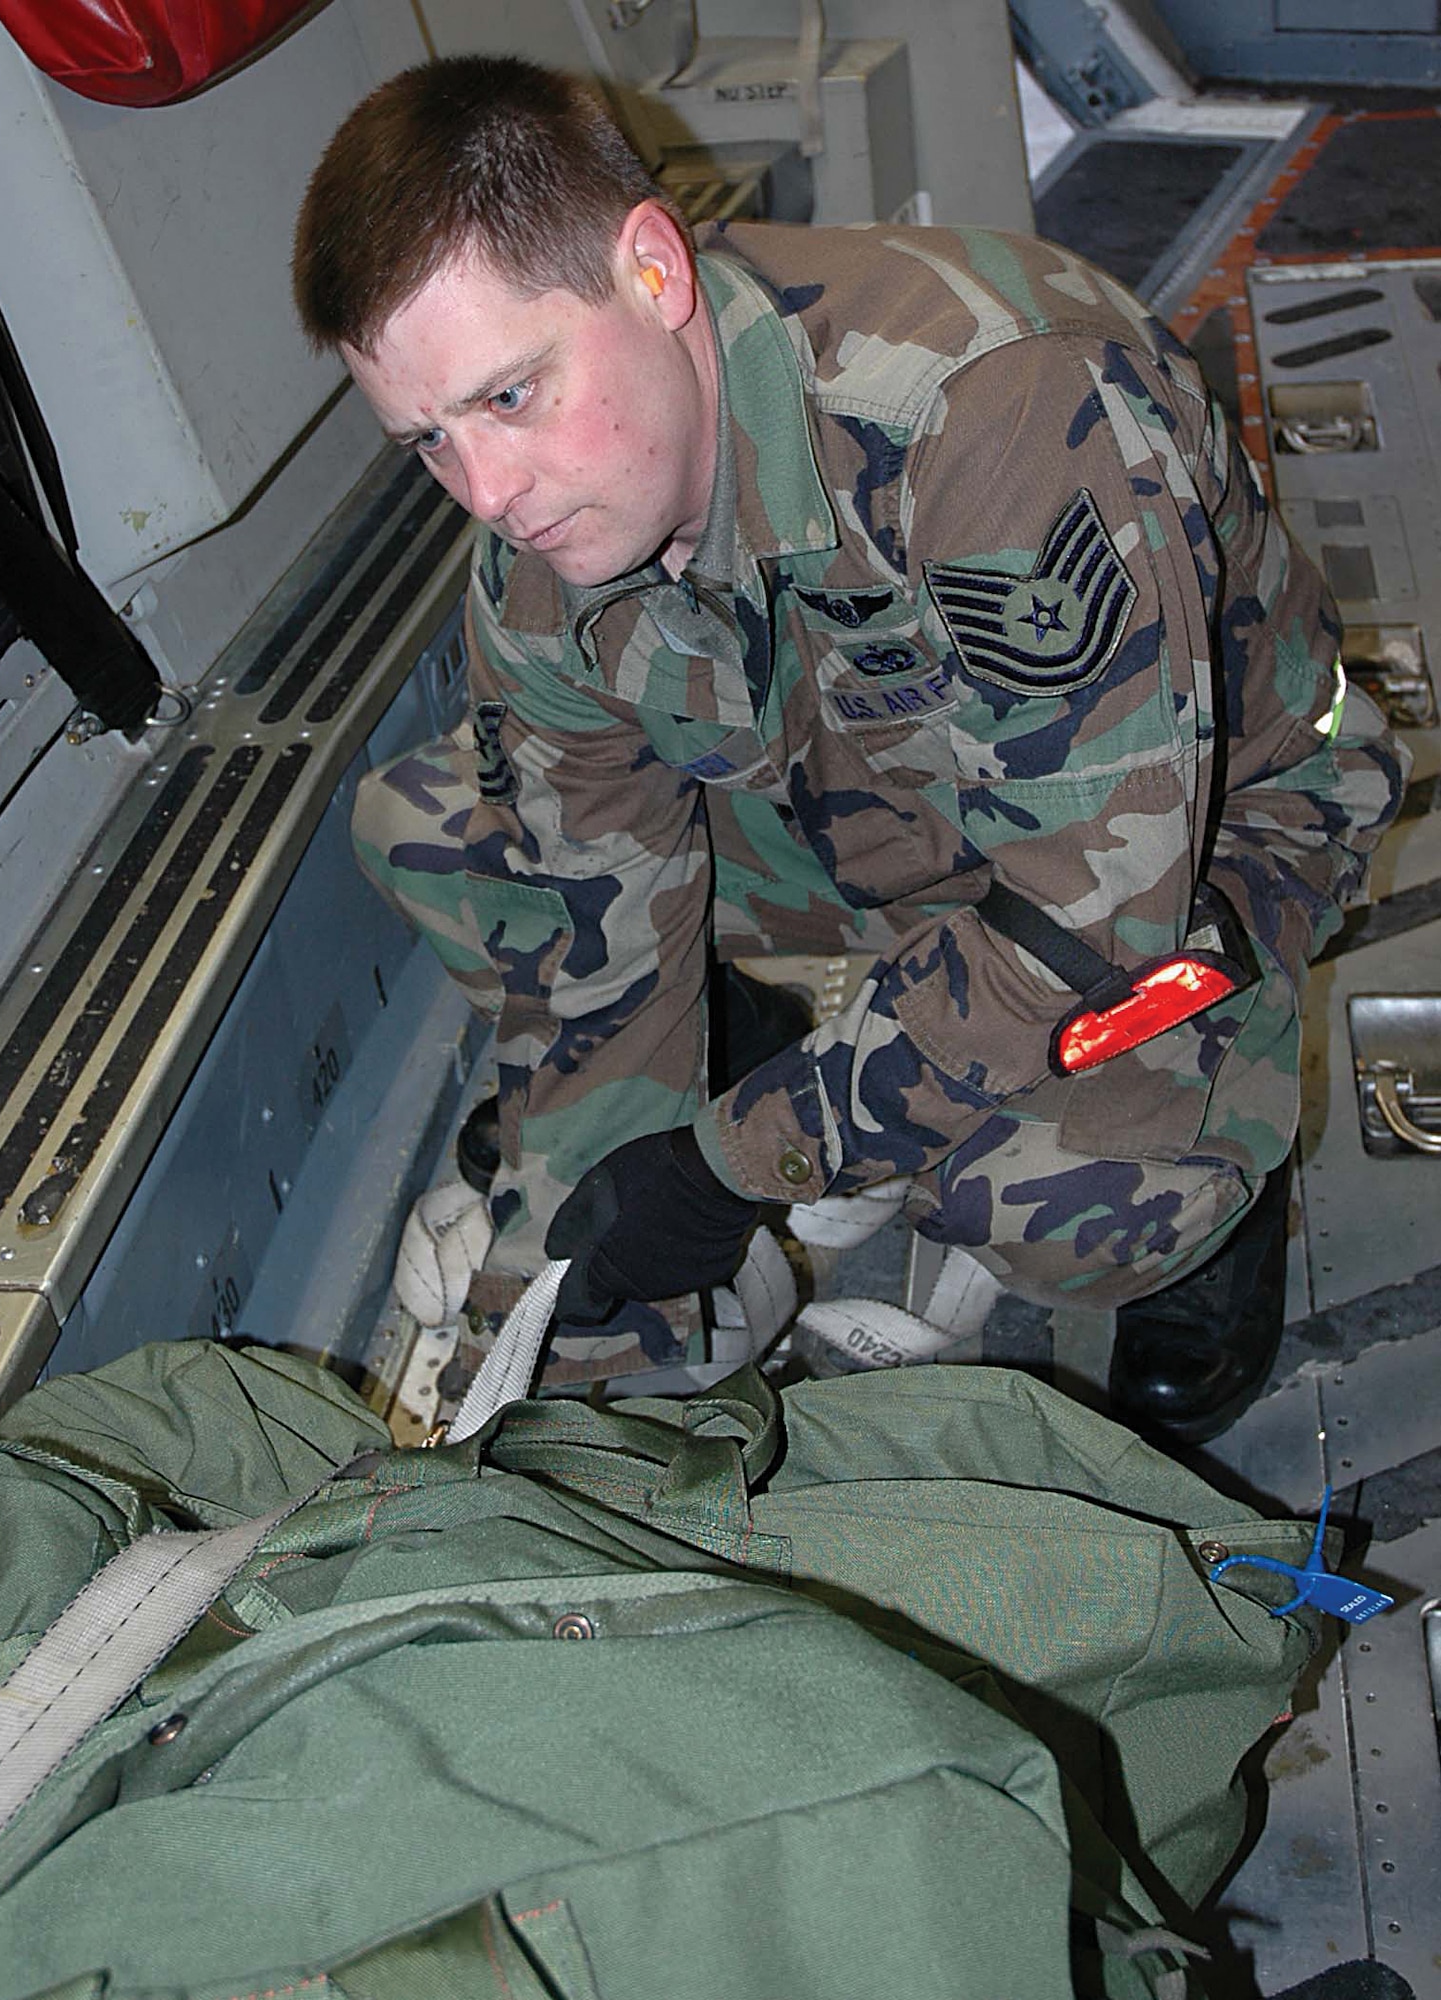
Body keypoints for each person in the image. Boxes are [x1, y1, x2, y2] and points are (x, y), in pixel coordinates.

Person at [291, 55, 1406, 1443]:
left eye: (509, 399)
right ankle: (780, 1039)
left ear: (651, 269)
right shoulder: (537, 553)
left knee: (1055, 1210)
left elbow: (1091, 926)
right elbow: (594, 926)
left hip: (1183, 856)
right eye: (427, 442)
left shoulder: (995, 415)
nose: (487, 493)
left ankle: (1225, 1178)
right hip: (864, 818)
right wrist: (581, 1301)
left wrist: (736, 1158)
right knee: (430, 824)